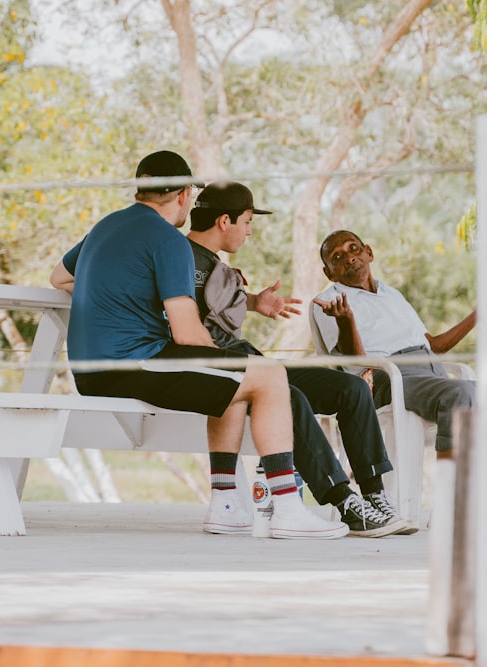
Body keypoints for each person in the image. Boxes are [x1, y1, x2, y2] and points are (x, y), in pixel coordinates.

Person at [49, 150, 347, 540]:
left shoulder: (104, 227)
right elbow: (188, 336)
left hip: (92, 370)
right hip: (134, 365)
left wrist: (120, 300)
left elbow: (59, 278)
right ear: (185, 195)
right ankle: (288, 508)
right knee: (268, 375)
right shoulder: (167, 240)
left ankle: (226, 505)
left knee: (233, 384)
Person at [185, 181, 412, 537]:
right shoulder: (177, 256)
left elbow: (206, 301)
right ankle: (344, 501)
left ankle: (375, 495)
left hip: (251, 361)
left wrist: (254, 301)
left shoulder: (210, 261)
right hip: (229, 370)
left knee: (350, 388)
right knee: (290, 397)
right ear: (224, 221)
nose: (249, 231)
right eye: (246, 221)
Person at [312, 229, 487, 459]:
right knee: (460, 393)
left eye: (353, 248)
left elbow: (434, 346)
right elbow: (357, 362)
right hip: (386, 379)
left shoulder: (391, 294)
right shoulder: (328, 302)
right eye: (337, 257)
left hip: (432, 374)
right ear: (329, 273)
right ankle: (456, 487)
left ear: (369, 253)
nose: (349, 257)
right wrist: (346, 321)